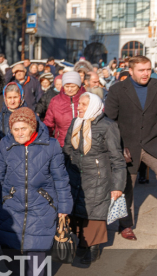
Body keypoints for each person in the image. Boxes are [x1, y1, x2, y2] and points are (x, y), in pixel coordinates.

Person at [0, 108, 72, 276]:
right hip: (12, 203)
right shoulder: (5, 144)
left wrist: (64, 207)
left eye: (23, 128)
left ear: (32, 127)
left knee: (37, 247)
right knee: (10, 244)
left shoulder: (51, 145)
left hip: (42, 204)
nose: (19, 133)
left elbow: (61, 178)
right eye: (15, 129)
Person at [63, 93, 126, 263]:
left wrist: (118, 186)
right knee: (78, 213)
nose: (79, 107)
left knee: (94, 215)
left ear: (94, 106)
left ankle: (93, 247)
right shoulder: (75, 123)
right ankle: (83, 243)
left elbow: (117, 159)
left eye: (83, 104)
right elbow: (67, 150)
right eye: (79, 103)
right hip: (75, 176)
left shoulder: (108, 126)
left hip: (98, 178)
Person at [105, 55, 157, 241]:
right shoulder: (117, 89)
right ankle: (125, 225)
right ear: (131, 71)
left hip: (152, 142)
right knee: (126, 186)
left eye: (148, 70)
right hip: (127, 146)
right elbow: (109, 120)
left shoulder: (156, 86)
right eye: (141, 70)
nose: (146, 73)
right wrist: (116, 146)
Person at [44, 71, 86, 147]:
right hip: (62, 143)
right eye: (67, 86)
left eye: (73, 86)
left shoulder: (87, 99)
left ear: (79, 86)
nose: (69, 89)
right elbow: (48, 123)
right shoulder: (55, 101)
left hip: (84, 143)